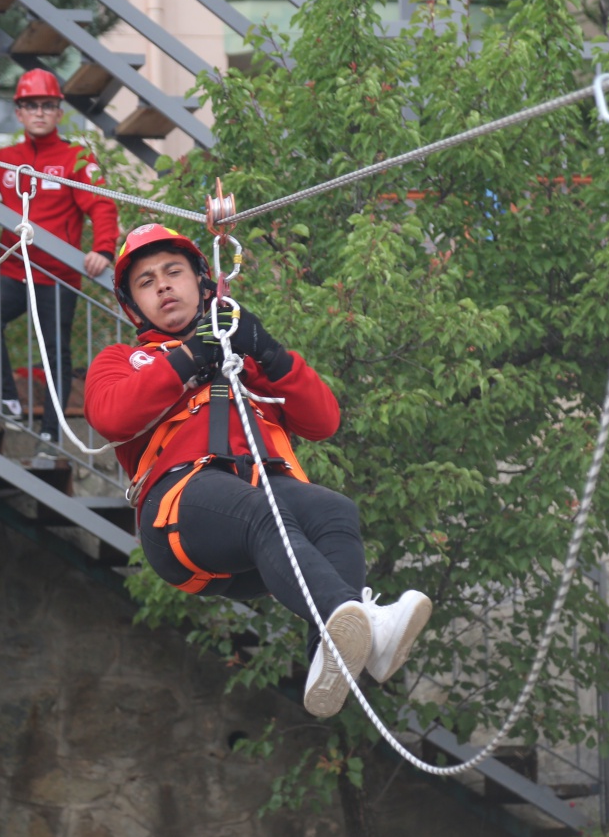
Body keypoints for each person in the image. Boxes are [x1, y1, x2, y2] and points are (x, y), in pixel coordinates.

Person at [83, 223, 433, 718]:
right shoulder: (123, 361)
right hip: (179, 510)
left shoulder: (245, 360)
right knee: (260, 512)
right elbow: (109, 415)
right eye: (146, 281)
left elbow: (324, 421)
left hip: (257, 518)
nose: (162, 285)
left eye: (172, 272)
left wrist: (268, 351)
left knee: (334, 511)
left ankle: (329, 657)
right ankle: (365, 624)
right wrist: (189, 358)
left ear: (200, 281)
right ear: (134, 306)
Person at [0, 69, 118, 440]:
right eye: (31, 105)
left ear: (59, 113)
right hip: (14, 271)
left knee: (55, 353)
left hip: (58, 276)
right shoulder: (5, 159)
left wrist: (103, 249)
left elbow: (101, 205)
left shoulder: (76, 158)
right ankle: (7, 399)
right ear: (19, 113)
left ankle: (51, 436)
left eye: (47, 105)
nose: (39, 112)